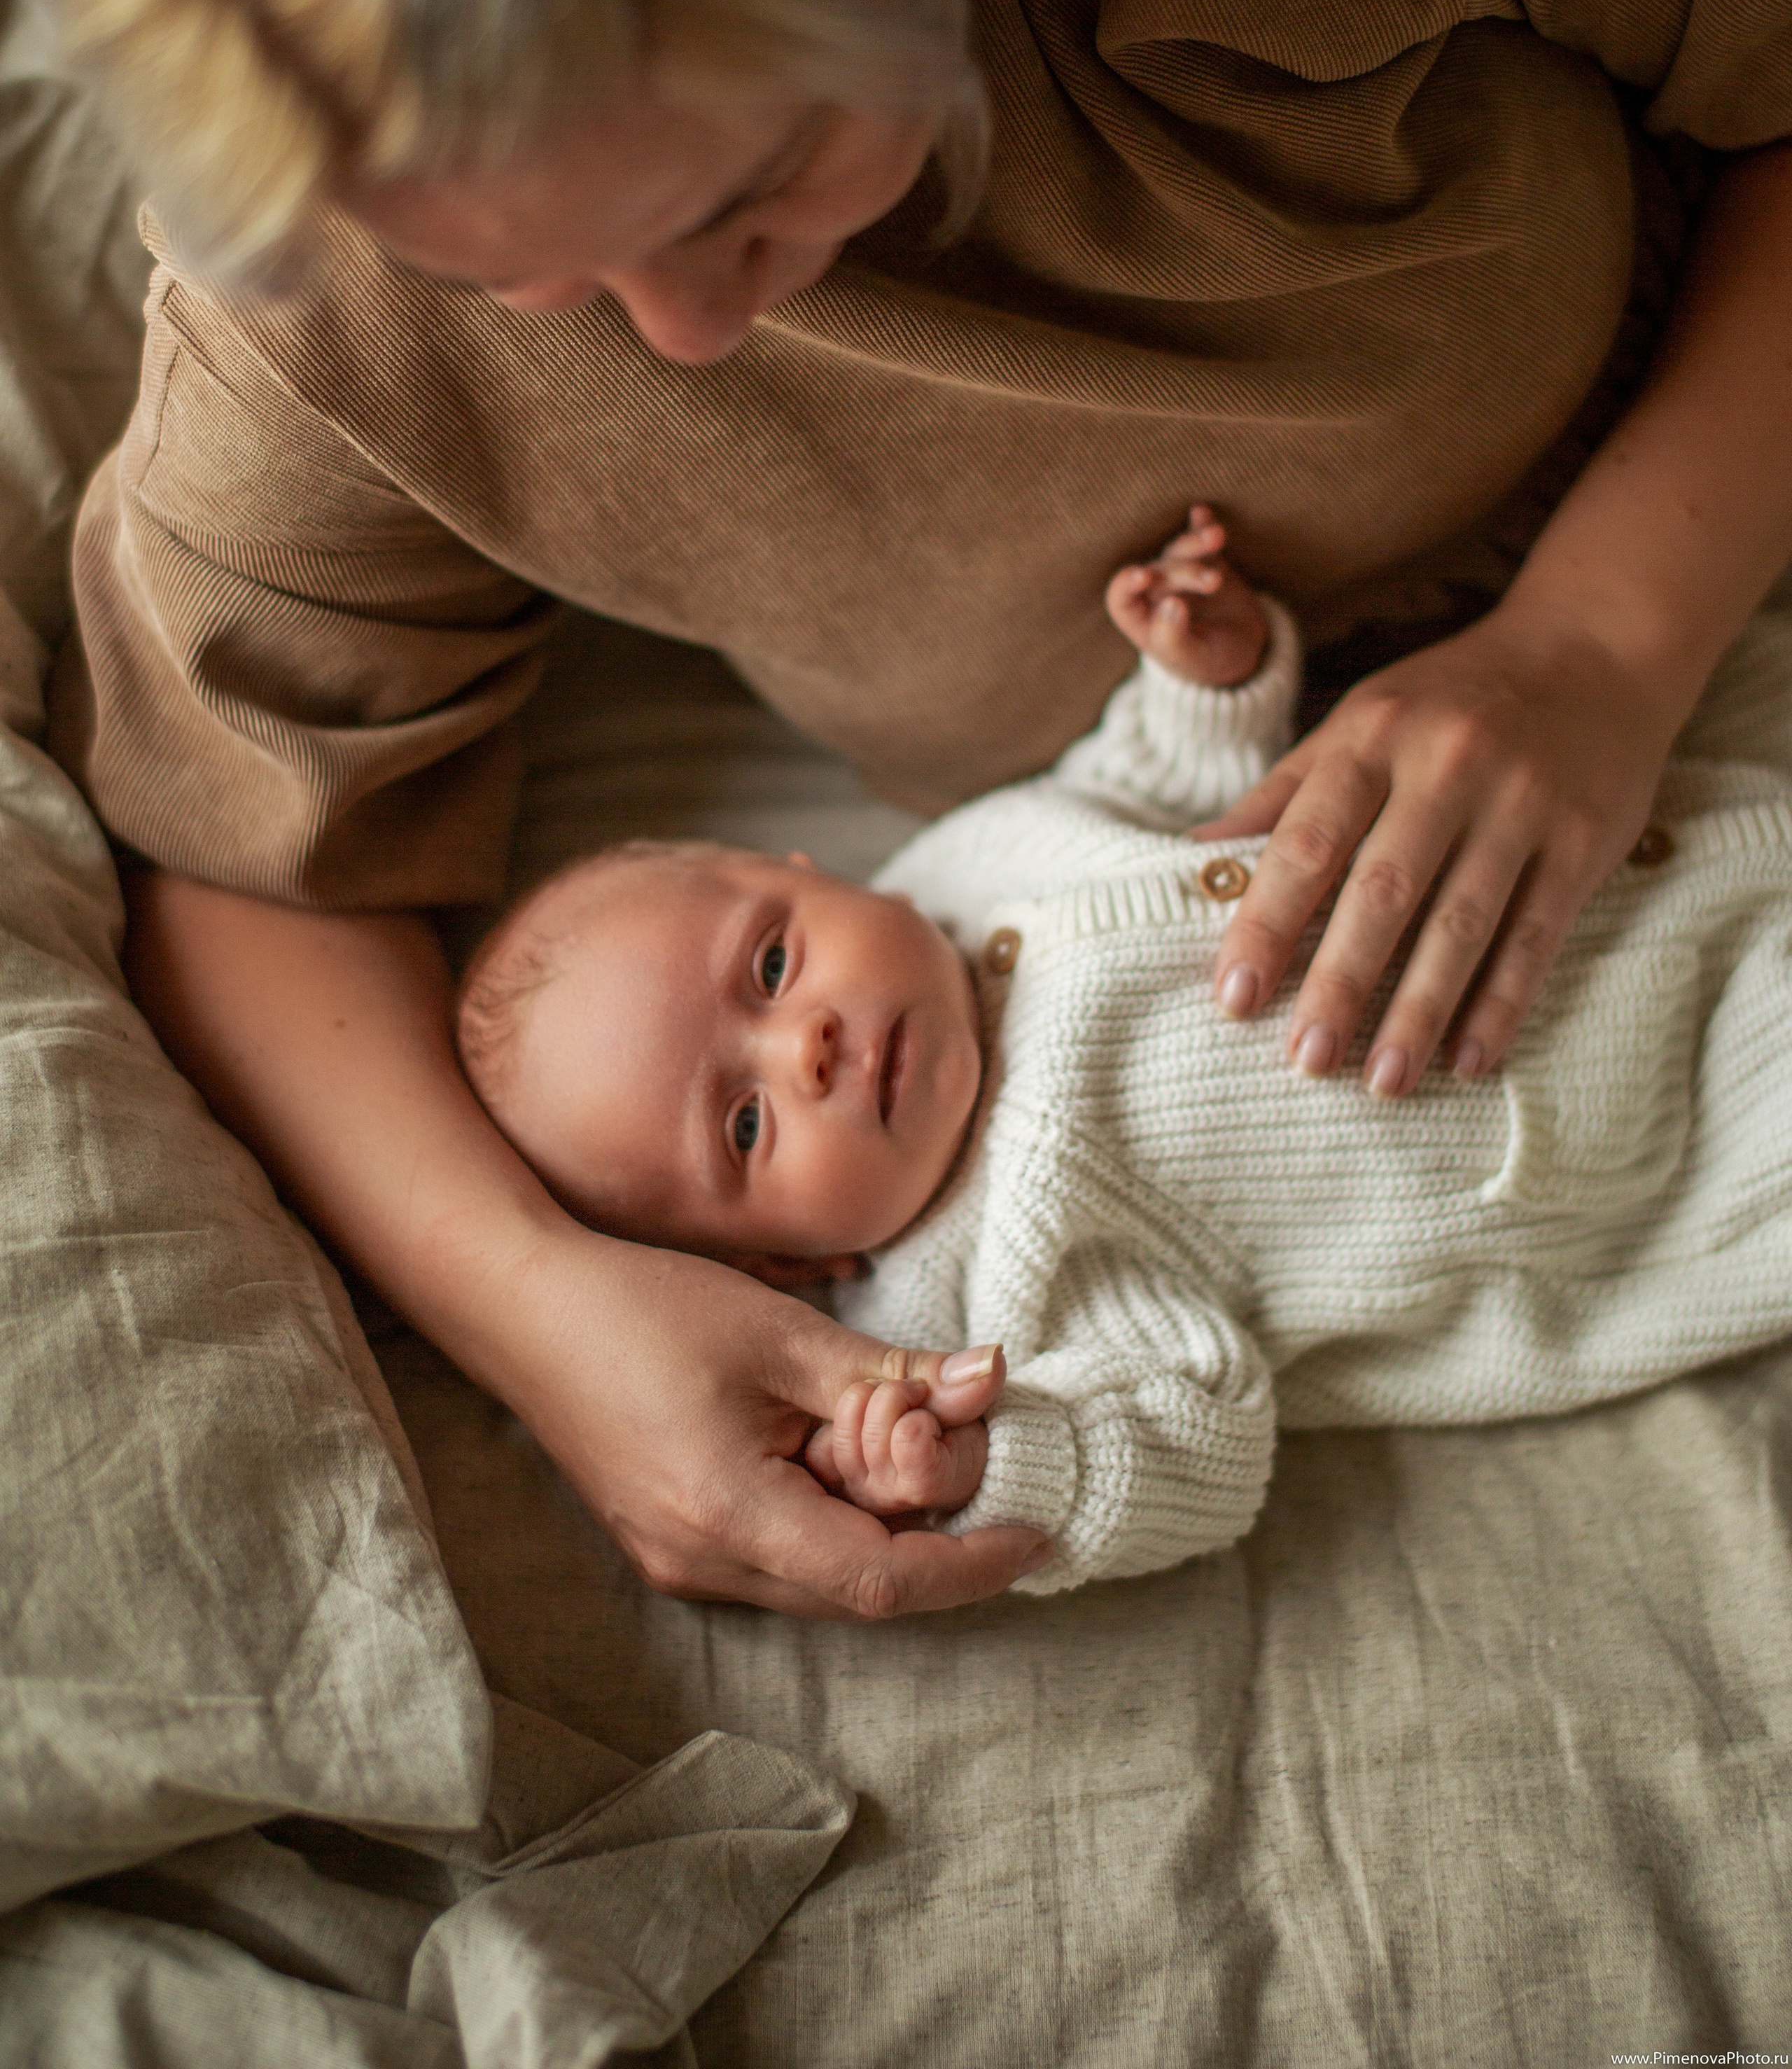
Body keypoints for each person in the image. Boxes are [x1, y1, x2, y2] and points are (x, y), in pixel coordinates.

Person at [8, 0, 1792, 1615]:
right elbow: (245, 853)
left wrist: (1611, 636)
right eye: (533, 274)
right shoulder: (312, 278)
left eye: (754, 191)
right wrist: (542, 1313)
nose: (675, 343)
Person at [442, 511, 1792, 1593]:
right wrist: (988, 1466)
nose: (810, 1048)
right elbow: (1185, 1439)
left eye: (775, 965)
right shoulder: (965, 1298)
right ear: (786, 1267)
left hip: (1641, 789)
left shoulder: (966, 866)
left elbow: (1149, 791)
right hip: (1661, 1121)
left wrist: (1203, 680)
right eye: (744, 1127)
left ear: (813, 872)